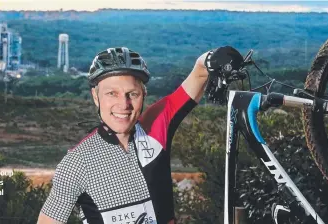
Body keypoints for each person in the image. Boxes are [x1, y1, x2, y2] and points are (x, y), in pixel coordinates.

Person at [37, 46, 243, 224]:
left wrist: (214, 57)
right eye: (112, 94)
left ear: (143, 94)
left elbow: (198, 73)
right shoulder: (77, 163)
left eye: (132, 94)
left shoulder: (155, 127)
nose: (123, 105)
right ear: (95, 97)